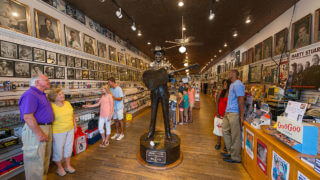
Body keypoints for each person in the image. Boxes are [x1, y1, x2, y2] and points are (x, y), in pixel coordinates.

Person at [18, 74, 53, 180]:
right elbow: (28, 117)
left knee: (44, 159)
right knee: (35, 162)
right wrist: (39, 133)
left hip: (45, 128)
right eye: (46, 80)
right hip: (36, 130)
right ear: (37, 82)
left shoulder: (41, 94)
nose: (49, 82)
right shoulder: (30, 94)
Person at [48, 88, 76, 176]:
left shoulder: (67, 103)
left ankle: (68, 166)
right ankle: (59, 168)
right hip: (58, 131)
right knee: (58, 150)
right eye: (59, 94)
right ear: (54, 97)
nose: (62, 95)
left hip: (70, 129)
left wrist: (75, 125)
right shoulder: (51, 106)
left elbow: (72, 114)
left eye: (62, 94)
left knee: (68, 148)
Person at [221, 70, 245, 163]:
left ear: (233, 74)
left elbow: (241, 100)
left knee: (235, 135)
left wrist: (241, 116)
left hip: (234, 113)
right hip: (228, 112)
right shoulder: (232, 85)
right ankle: (231, 152)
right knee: (225, 130)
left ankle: (235, 157)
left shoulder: (238, 84)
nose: (227, 74)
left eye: (229, 73)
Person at [214, 79, 231, 150]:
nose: (224, 86)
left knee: (225, 130)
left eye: (226, 84)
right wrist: (217, 112)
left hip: (226, 114)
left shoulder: (231, 93)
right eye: (224, 84)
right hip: (219, 112)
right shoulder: (221, 92)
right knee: (218, 128)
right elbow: (217, 102)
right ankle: (218, 143)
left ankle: (225, 144)